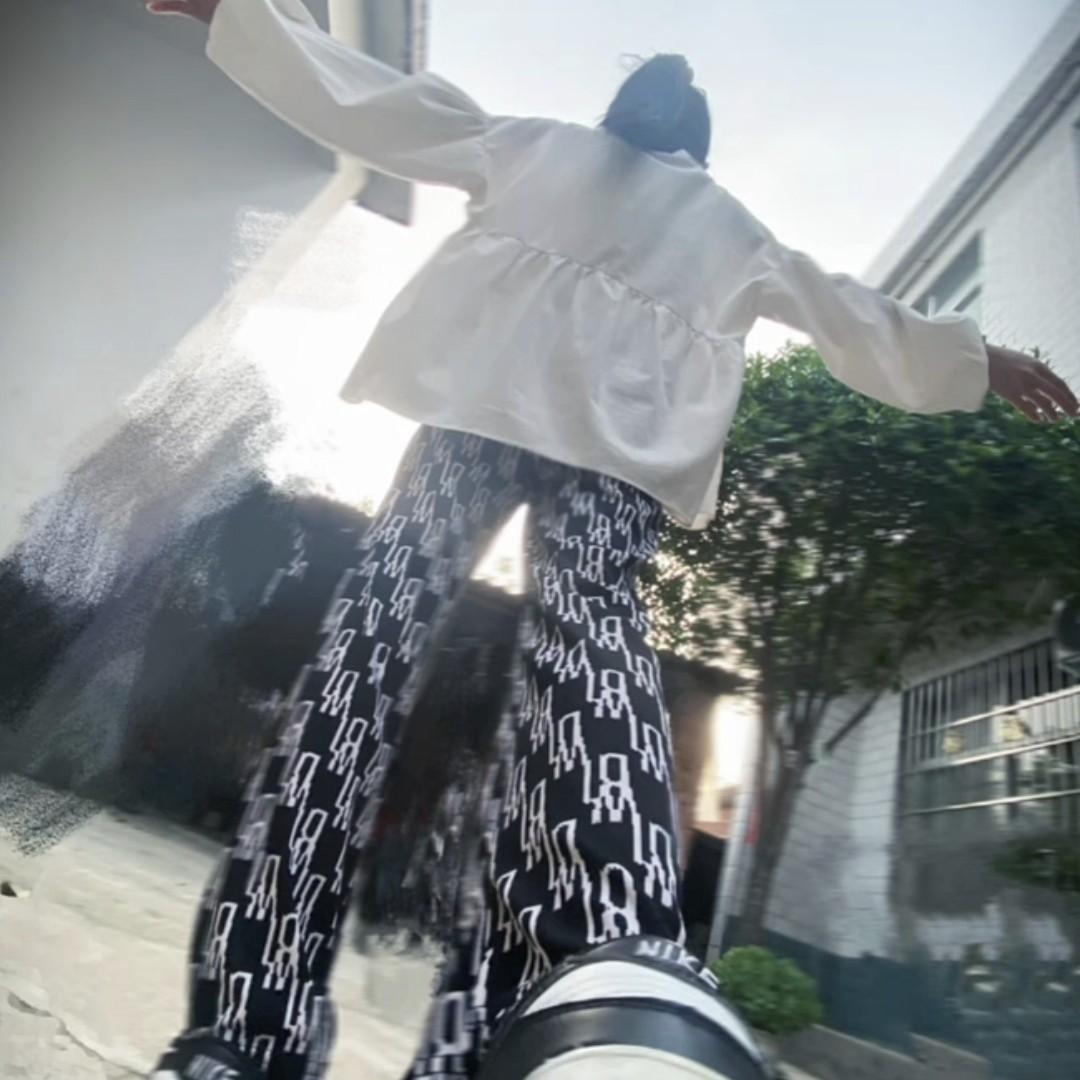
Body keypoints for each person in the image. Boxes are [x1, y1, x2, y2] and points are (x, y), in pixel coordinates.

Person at [145, 1, 1079, 1078]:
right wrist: (980, 362)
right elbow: (853, 316)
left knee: (362, 665)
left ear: (619, 114)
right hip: (615, 461)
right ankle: (585, 991)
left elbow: (379, 107)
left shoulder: (534, 144)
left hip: (473, 412)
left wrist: (247, 18)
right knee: (589, 669)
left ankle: (243, 1030)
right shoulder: (731, 228)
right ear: (700, 151)